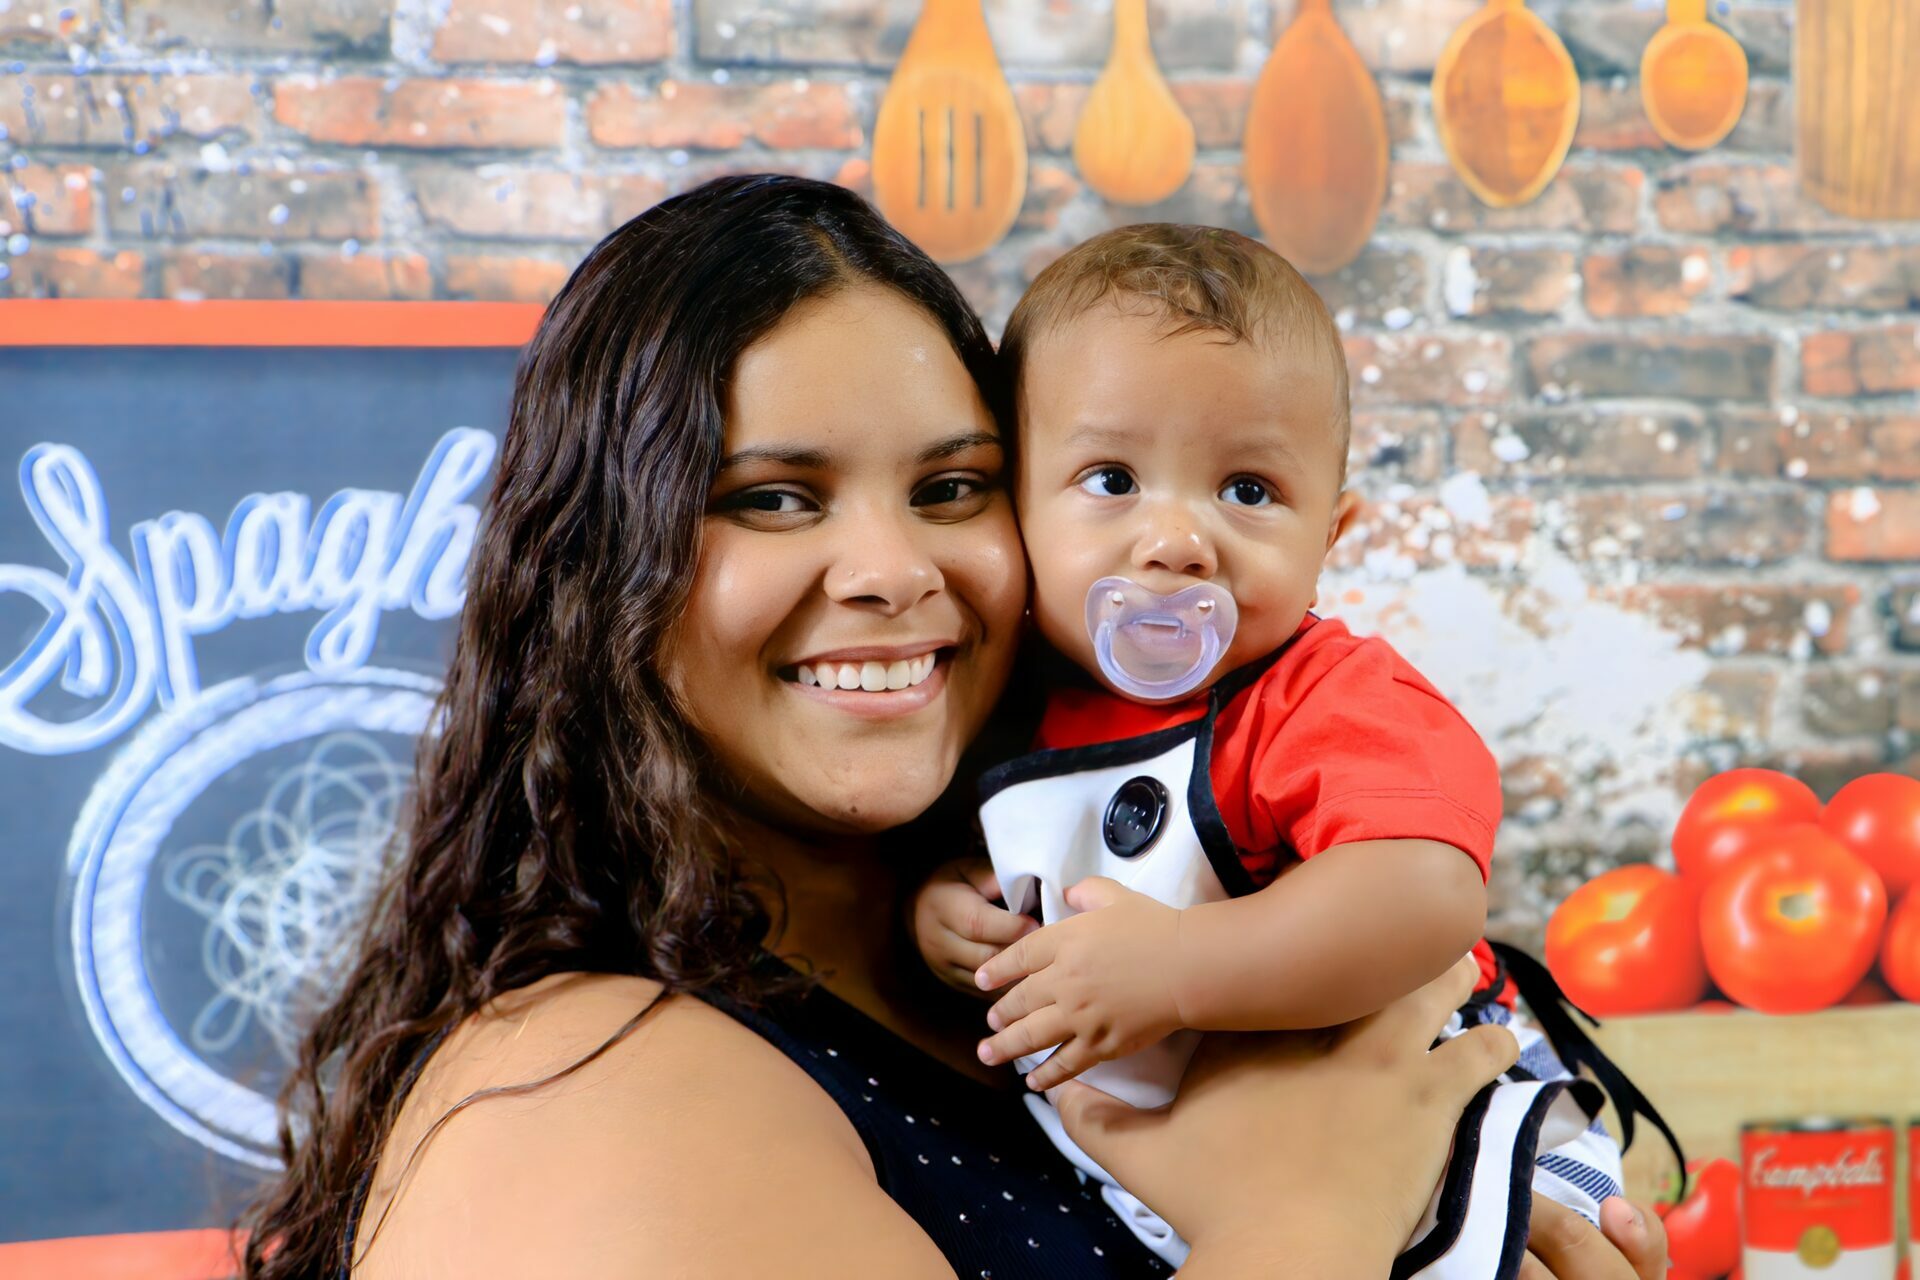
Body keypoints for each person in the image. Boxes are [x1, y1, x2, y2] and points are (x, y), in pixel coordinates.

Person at [238, 175, 1668, 1279]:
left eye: (950, 488)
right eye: (773, 498)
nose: (892, 569)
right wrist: (1307, 1219)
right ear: (597, 565)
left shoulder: (1012, 911)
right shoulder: (583, 1100)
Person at [907, 224, 1675, 1272]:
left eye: (1249, 491)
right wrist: (961, 910)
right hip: (1190, 1181)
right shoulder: (1007, 702)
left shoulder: (1323, 698)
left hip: (1437, 1123)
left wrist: (1181, 965)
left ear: (1330, 536)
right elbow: (1039, 866)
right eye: (1111, 478)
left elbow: (1424, 890)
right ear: (1015, 509)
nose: (1176, 543)